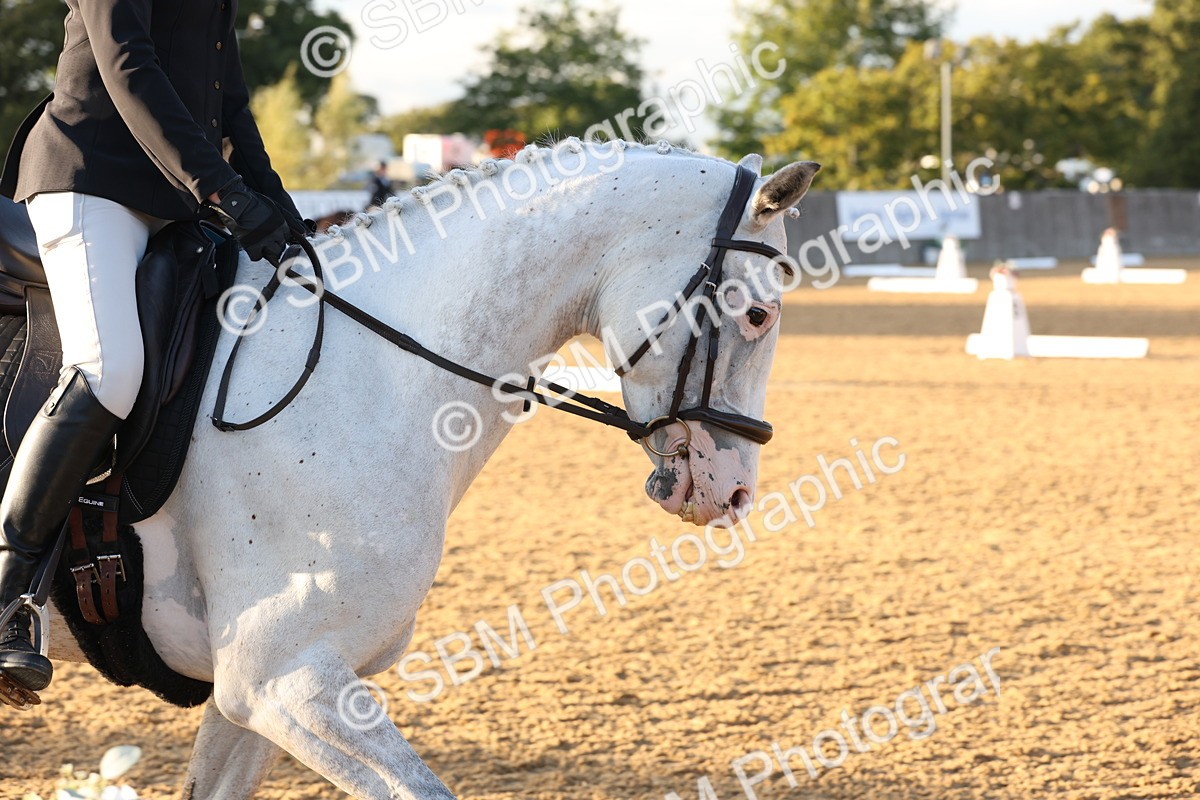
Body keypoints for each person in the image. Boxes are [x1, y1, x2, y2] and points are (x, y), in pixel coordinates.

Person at [0, 0, 305, 697]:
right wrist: (222, 189)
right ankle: (8, 594)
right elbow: (127, 63)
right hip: (90, 180)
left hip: (173, 203)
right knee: (109, 371)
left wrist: (283, 212)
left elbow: (230, 107)